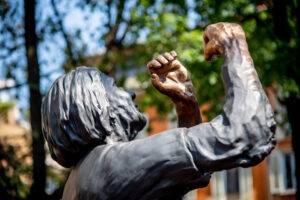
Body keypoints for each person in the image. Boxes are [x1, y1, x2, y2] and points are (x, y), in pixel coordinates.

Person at [42, 22, 276, 200]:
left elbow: (194, 172)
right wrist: (232, 43)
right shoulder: (109, 164)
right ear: (100, 109)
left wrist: (186, 106)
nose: (130, 94)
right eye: (115, 87)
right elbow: (249, 132)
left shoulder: (84, 175)